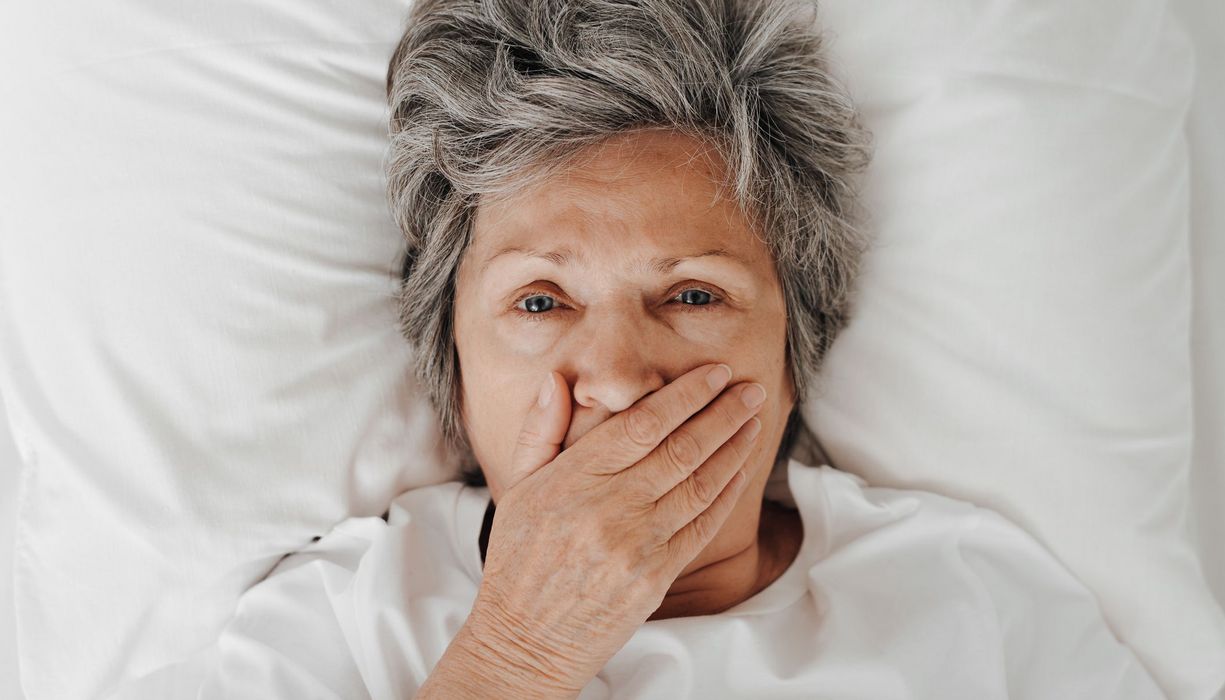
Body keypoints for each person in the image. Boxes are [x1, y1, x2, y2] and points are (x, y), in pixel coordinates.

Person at [198, 0, 1163, 697]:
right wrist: (517, 656)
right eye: (539, 302)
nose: (617, 379)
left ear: (795, 355)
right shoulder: (333, 629)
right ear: (452, 366)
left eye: (693, 293)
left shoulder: (977, 608)